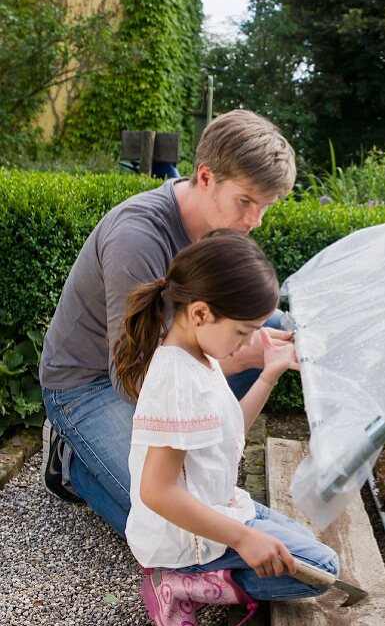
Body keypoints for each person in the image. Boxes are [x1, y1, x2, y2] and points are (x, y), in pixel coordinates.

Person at [40, 110, 297, 538]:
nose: (255, 221)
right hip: (90, 384)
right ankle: (75, 464)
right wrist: (235, 359)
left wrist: (271, 342)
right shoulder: (138, 238)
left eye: (265, 207)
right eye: (246, 202)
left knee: (264, 321)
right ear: (206, 176)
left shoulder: (219, 222)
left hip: (161, 360)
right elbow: (132, 375)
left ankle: (188, 451)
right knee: (172, 524)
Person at [113, 228, 338, 626]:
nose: (248, 343)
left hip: (219, 506)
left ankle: (215, 566)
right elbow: (156, 491)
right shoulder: (177, 377)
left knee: (305, 552)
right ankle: (176, 586)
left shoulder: (202, 355)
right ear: (200, 313)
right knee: (321, 571)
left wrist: (268, 373)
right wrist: (241, 537)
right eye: (243, 331)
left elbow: (228, 434)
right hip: (186, 538)